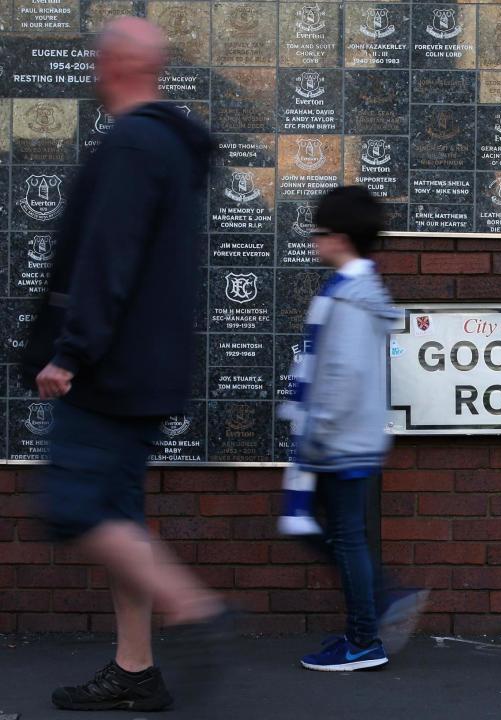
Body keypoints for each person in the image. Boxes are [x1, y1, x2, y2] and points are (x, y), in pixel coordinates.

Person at [21, 17, 222, 712]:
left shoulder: (135, 144)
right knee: (120, 518)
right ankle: (135, 669)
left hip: (109, 370)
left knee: (74, 503)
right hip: (146, 369)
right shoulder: (168, 144)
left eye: (97, 60)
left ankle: (195, 608)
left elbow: (109, 256)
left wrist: (70, 354)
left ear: (115, 65)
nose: (90, 71)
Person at [278, 186, 425, 671]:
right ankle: (375, 613)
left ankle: (366, 636)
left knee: (341, 537)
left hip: (338, 442)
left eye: (319, 232)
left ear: (339, 237)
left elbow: (342, 374)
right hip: (350, 439)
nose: (314, 241)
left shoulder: (347, 298)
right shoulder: (356, 292)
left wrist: (316, 433)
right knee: (333, 534)